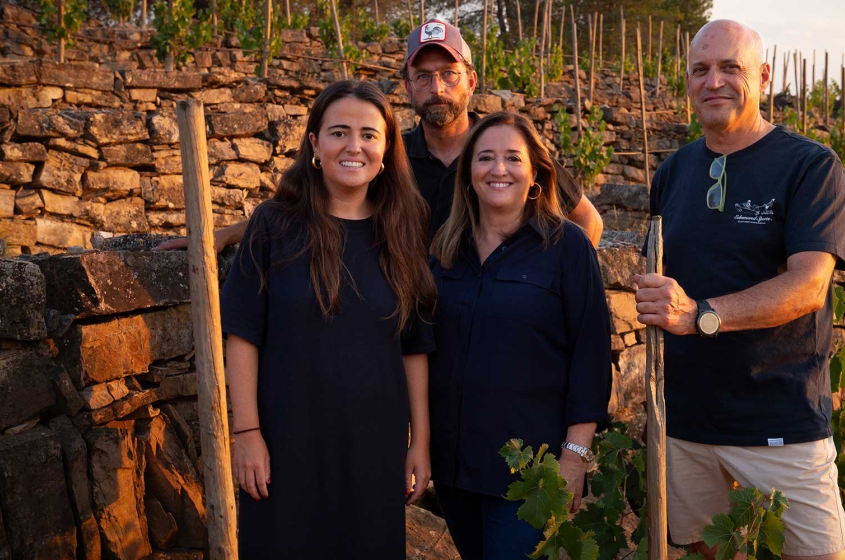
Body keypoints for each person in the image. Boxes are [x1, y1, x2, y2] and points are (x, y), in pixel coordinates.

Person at [633, 20, 845, 560]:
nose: (714, 82)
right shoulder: (673, 172)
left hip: (781, 424)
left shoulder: (809, 165)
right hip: (687, 424)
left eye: (730, 68)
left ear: (763, 76)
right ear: (687, 82)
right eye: (700, 70)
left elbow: (808, 287)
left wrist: (699, 315)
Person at [152, 19, 603, 252]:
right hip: (410, 330)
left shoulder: (501, 153)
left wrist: (553, 278)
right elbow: (316, 206)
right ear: (405, 86)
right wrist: (229, 234)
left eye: (448, 74)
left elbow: (588, 221)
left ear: (471, 79)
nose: (436, 88)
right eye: (422, 77)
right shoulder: (393, 157)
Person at [219, 80, 436, 558]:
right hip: (285, 442)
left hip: (374, 447)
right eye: (339, 132)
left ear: (386, 148)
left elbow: (415, 346)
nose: (354, 146)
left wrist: (419, 443)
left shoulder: (403, 228)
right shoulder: (273, 224)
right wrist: (247, 433)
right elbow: (241, 334)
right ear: (315, 144)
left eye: (369, 134)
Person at [428, 111, 612, 558]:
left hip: (532, 472)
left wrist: (573, 457)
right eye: (485, 158)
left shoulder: (567, 247)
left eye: (513, 158)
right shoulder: (445, 250)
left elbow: (590, 358)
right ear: (468, 173)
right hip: (456, 467)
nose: (498, 169)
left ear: (535, 175)